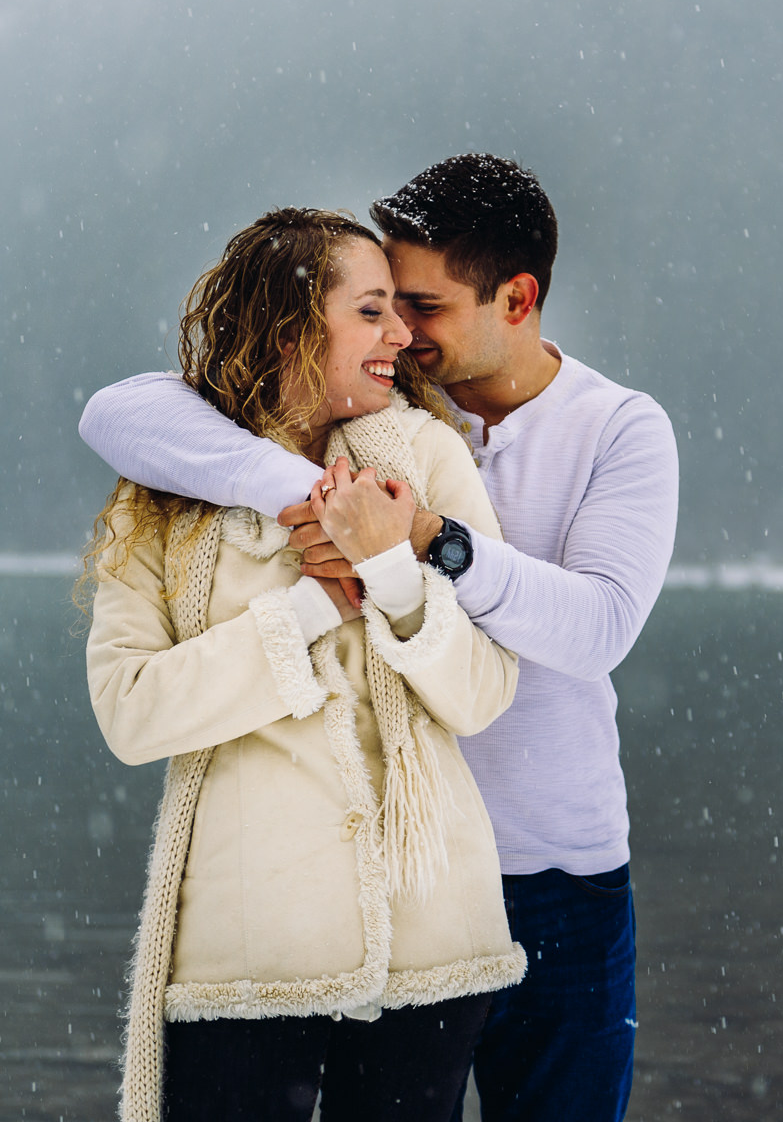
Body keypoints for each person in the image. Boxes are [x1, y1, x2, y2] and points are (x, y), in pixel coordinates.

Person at [78, 155, 679, 1122]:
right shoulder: (350, 433)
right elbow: (118, 410)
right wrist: (301, 502)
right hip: (372, 887)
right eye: (380, 306)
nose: (402, 333)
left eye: (424, 307)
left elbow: (597, 627)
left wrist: (420, 544)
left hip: (550, 876)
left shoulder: (605, 432)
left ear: (515, 300)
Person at [82, 207, 525, 1122]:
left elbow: (485, 691)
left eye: (400, 311)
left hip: (432, 936)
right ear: (291, 326)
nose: (401, 335)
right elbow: (131, 714)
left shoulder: (429, 460)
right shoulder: (164, 493)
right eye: (370, 312)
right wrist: (311, 608)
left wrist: (389, 572)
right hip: (245, 952)